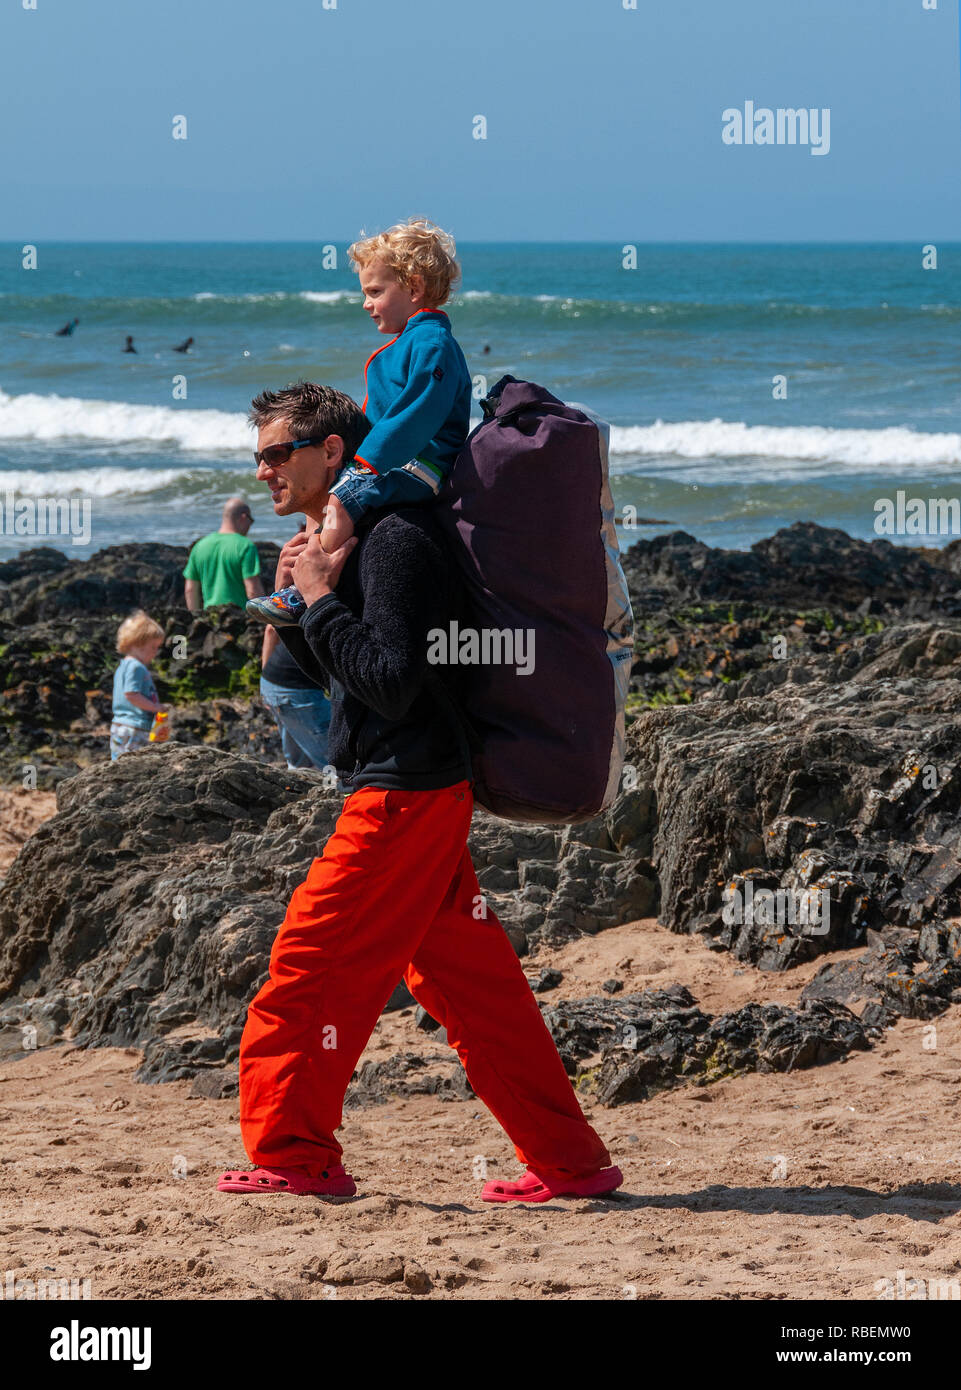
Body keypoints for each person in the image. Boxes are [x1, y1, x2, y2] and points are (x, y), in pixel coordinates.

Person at [218, 380, 622, 1204]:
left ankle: (295, 1155)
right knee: (476, 992)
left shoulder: (398, 538)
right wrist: (300, 597)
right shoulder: (352, 534)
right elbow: (329, 673)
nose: (262, 471)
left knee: (307, 964)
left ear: (331, 451)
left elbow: (393, 682)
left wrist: (325, 597)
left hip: (404, 795)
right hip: (412, 791)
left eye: (273, 453)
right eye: (255, 457)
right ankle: (571, 1163)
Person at [245, 216, 471, 627]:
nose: (366, 303)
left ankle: (303, 594)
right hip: (398, 460)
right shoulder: (409, 343)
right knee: (337, 500)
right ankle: (313, 577)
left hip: (423, 463)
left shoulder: (432, 342)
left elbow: (417, 413)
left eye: (375, 292)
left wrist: (365, 463)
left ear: (415, 288)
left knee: (340, 500)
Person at [260, 523, 333, 770]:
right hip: (296, 690)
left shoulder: (295, 585)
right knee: (332, 764)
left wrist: (264, 682)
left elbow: (271, 628)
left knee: (298, 767)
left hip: (274, 682)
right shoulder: (321, 584)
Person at [183, 497, 265, 610]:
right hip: (238, 617)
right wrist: (266, 621)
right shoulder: (245, 546)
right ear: (244, 517)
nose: (250, 526)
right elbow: (252, 590)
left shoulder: (199, 546)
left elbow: (190, 589)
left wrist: (196, 616)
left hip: (210, 617)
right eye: (251, 521)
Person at [110, 611, 167, 760]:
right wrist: (155, 707)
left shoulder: (124, 665)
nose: (156, 652)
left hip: (123, 725)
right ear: (137, 644)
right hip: (134, 727)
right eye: (153, 647)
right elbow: (131, 694)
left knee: (120, 763)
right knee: (133, 765)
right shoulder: (136, 667)